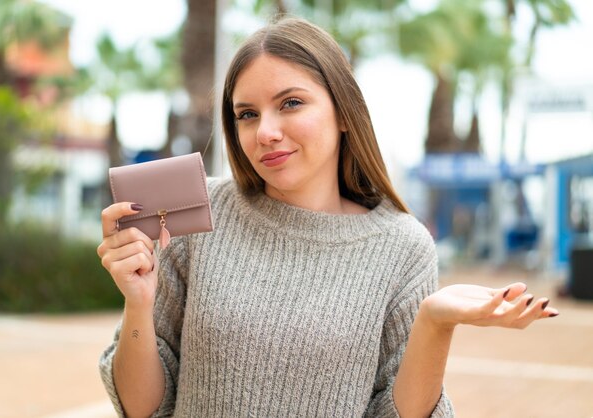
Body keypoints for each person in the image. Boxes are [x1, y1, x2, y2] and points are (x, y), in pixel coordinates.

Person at [97, 17, 559, 418]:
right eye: (247, 114)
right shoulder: (203, 213)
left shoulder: (403, 246)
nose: (267, 133)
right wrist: (138, 301)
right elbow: (143, 409)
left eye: (291, 103)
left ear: (342, 111)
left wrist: (435, 323)